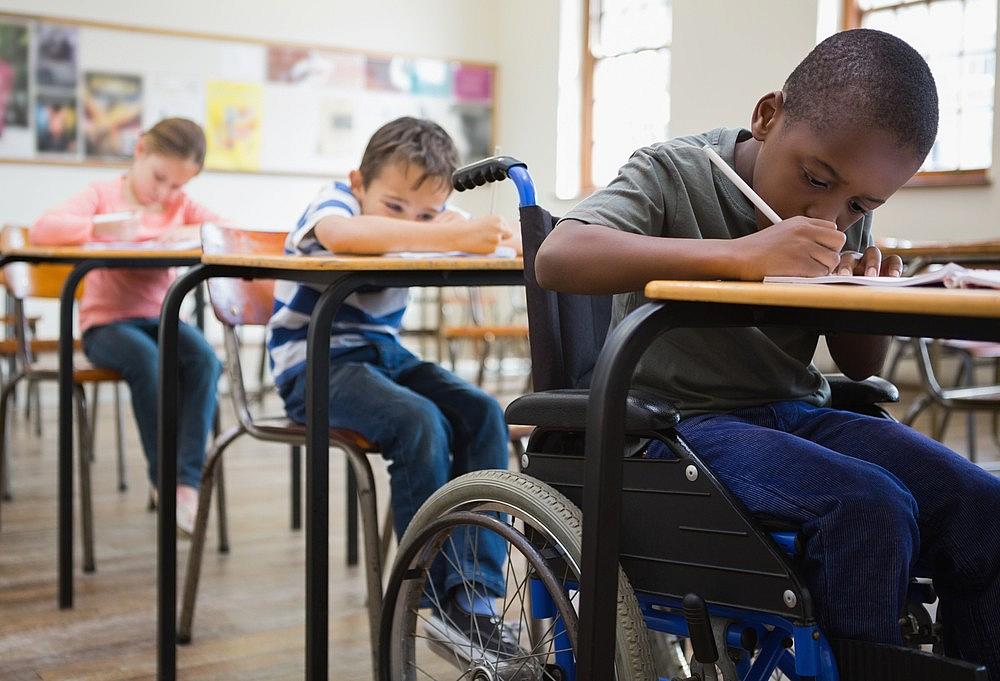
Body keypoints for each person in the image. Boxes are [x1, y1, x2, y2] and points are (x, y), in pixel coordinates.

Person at [536, 28, 1000, 678]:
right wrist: (741, 256)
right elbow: (559, 257)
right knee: (867, 506)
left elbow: (859, 362)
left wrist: (870, 287)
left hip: (798, 411)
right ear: (767, 115)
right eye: (816, 177)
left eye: (860, 204)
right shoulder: (675, 172)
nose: (830, 213)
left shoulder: (840, 214)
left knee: (983, 504)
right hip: (683, 425)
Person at [266, 116, 524, 663]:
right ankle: (428, 599)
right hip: (315, 365)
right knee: (418, 421)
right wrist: (447, 231)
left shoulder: (437, 218)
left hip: (385, 358)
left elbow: (499, 244)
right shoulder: (333, 202)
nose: (413, 221)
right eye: (394, 207)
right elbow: (343, 236)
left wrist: (503, 237)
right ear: (358, 182)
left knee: (482, 412)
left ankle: (472, 597)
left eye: (427, 212)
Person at [31, 117, 223, 536]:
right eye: (160, 178)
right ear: (140, 150)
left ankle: (186, 484)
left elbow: (223, 230)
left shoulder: (179, 205)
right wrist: (110, 230)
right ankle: (165, 480)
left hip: (159, 319)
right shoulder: (102, 194)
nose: (166, 192)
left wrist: (177, 229)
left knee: (205, 360)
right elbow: (44, 228)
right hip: (107, 326)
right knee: (148, 363)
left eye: (177, 186)